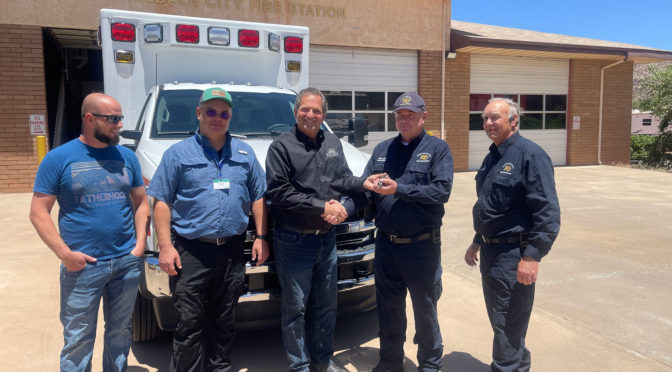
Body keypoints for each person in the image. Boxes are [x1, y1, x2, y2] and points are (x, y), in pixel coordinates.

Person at [147, 87, 269, 371]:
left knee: (225, 320)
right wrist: (165, 247)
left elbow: (258, 197)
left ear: (230, 117)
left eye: (224, 113)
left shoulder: (244, 152)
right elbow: (161, 201)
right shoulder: (177, 154)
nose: (218, 118)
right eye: (211, 111)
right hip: (191, 251)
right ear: (199, 113)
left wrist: (261, 237)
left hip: (231, 250)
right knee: (189, 323)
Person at [29, 93, 150, 371]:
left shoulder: (127, 157)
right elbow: (38, 212)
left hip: (125, 262)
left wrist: (139, 244)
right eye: (113, 119)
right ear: (89, 118)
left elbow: (142, 202)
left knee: (120, 333)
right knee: (78, 340)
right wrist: (65, 254)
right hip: (82, 266)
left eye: (120, 118)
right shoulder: (58, 158)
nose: (119, 125)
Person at [265, 87, 364, 372]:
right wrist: (323, 207)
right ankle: (300, 365)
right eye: (305, 109)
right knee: (295, 309)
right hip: (294, 240)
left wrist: (365, 183)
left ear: (324, 114)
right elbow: (279, 193)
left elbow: (343, 179)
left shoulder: (332, 141)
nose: (310, 115)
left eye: (316, 111)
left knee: (326, 307)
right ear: (295, 112)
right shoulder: (281, 147)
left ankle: (323, 362)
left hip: (327, 240)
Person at [464, 98, 561, 372]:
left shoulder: (531, 155)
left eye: (495, 117)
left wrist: (532, 256)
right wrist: (477, 240)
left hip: (513, 257)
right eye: (485, 118)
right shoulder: (493, 155)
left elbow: (548, 212)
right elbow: (491, 206)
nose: (488, 123)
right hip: (492, 254)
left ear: (513, 121)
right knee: (504, 325)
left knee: (507, 328)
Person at [362, 92, 454, 372]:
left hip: (421, 247)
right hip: (386, 245)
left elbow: (441, 190)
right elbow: (366, 191)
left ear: (423, 117)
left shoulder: (437, 149)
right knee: (388, 309)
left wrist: (399, 189)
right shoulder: (382, 150)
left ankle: (429, 364)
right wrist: (341, 204)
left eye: (411, 115)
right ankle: (390, 362)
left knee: (424, 310)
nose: (404, 120)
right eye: (400, 115)